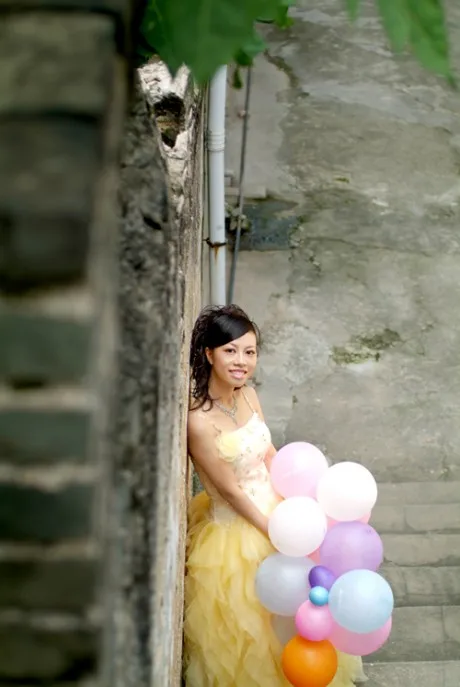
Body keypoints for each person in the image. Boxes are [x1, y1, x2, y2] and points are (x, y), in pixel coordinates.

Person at [183, 304, 367, 686]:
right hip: (240, 527)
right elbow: (230, 491)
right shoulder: (198, 421)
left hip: (281, 510)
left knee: (300, 608)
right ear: (209, 354)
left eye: (249, 352)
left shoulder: (249, 395)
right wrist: (272, 530)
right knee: (255, 625)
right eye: (231, 350)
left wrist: (303, 496)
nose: (242, 361)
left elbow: (269, 454)